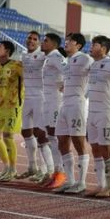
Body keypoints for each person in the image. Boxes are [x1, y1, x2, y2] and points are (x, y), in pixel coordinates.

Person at [50, 33, 94, 193]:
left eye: (70, 41)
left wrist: (85, 94)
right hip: (64, 104)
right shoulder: (68, 62)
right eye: (66, 40)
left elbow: (94, 76)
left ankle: (81, 183)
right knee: (62, 141)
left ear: (79, 45)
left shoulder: (85, 58)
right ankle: (70, 181)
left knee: (78, 141)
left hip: (77, 104)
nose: (66, 42)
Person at [17, 31, 53, 182]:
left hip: (40, 98)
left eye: (34, 39)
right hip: (28, 98)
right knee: (25, 131)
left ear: (39, 42)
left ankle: (47, 170)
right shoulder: (23, 56)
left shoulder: (43, 55)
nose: (31, 41)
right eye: (29, 38)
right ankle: (32, 167)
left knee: (40, 133)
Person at [86, 35, 110, 197]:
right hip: (91, 111)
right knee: (95, 148)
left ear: (104, 48)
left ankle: (109, 186)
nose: (91, 47)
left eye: (95, 45)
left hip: (105, 112)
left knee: (106, 149)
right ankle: (100, 185)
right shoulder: (92, 65)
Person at [0, 40, 24, 181]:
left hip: (13, 105)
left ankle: (13, 169)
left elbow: (27, 80)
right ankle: (6, 167)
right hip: (1, 105)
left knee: (8, 136)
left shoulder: (17, 65)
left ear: (7, 51)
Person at [39, 33, 67, 187]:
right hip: (47, 101)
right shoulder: (48, 58)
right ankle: (57, 171)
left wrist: (65, 84)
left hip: (55, 101)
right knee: (50, 136)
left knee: (55, 136)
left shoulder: (56, 56)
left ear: (54, 44)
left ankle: (60, 172)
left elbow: (68, 70)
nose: (42, 43)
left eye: (46, 41)